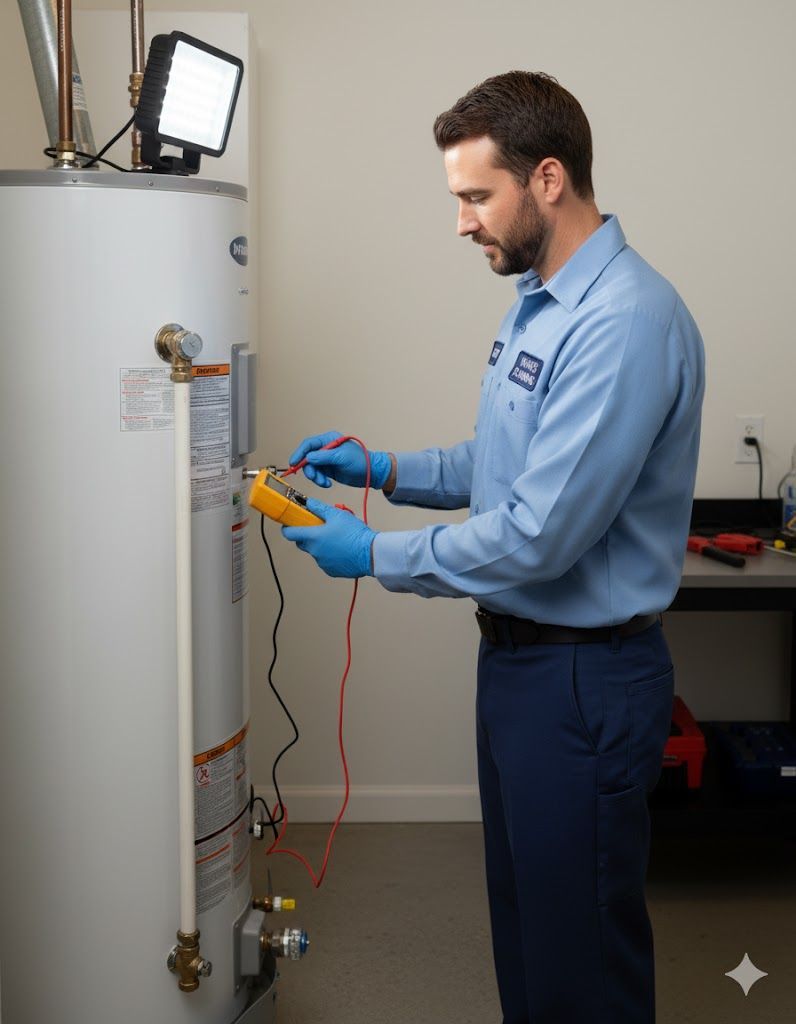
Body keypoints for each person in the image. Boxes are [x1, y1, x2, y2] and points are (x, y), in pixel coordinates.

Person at [281, 71, 705, 1024]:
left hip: (582, 683)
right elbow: (507, 465)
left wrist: (373, 555)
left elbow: (541, 535)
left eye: (476, 196)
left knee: (580, 963)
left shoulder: (625, 322)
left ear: (547, 179)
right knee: (529, 934)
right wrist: (386, 467)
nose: (462, 223)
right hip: (519, 670)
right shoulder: (542, 299)